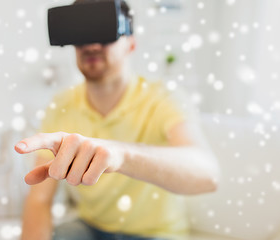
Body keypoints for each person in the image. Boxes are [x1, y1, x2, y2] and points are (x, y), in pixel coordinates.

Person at [15, 0, 220, 239]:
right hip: (89, 227)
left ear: (131, 44)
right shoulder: (61, 105)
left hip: (154, 233)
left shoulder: (163, 98)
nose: (91, 45)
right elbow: (39, 199)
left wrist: (121, 154)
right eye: (82, 35)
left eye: (104, 32)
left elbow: (208, 175)